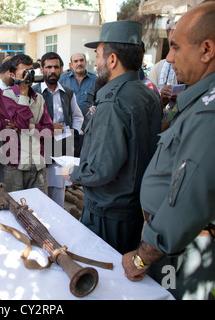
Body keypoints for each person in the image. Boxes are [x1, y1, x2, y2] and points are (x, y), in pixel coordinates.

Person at [122, 2, 215, 300]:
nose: (169, 57)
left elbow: (189, 198)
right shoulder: (214, 95)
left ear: (207, 50)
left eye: (176, 47)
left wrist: (141, 257)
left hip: (195, 257)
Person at [62, 20, 163, 254]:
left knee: (104, 275)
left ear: (113, 60)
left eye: (97, 56)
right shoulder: (149, 95)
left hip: (108, 213)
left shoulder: (113, 103)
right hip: (133, 207)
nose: (95, 63)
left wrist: (72, 173)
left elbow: (100, 170)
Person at [0, 53, 54, 195]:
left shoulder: (39, 98)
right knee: (16, 208)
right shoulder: (5, 96)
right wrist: (23, 93)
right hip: (15, 164)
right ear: (13, 75)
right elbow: (21, 124)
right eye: (25, 73)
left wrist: (30, 128)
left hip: (38, 163)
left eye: (31, 72)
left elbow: (49, 130)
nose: (29, 76)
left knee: (40, 207)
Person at [32, 52, 84, 207]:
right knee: (41, 186)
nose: (52, 70)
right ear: (41, 69)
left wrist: (72, 133)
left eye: (56, 67)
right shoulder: (33, 92)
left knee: (59, 187)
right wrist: (49, 127)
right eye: (48, 67)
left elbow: (77, 116)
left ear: (62, 69)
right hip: (41, 145)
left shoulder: (67, 92)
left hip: (63, 145)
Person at [59, 53, 97, 128]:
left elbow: (100, 101)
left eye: (81, 60)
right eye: (76, 61)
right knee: (69, 140)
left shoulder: (95, 80)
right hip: (68, 127)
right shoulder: (62, 79)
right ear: (71, 65)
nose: (79, 63)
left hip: (88, 127)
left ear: (85, 62)